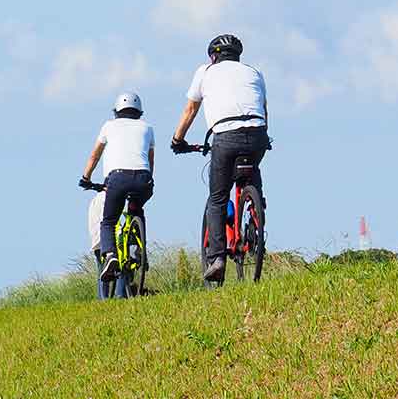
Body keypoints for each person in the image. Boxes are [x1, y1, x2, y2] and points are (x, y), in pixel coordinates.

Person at [170, 34, 270, 284]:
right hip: (257, 134)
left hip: (225, 137)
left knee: (217, 198)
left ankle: (217, 259)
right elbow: (264, 109)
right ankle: (256, 225)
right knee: (253, 177)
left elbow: (190, 109)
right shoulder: (254, 72)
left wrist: (177, 140)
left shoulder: (205, 72)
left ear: (213, 56)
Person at [80, 92, 154, 283]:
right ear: (139, 112)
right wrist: (148, 179)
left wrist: (86, 177)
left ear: (117, 111)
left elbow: (94, 156)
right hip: (143, 179)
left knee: (109, 221)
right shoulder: (147, 128)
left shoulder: (108, 126)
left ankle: (111, 255)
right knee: (138, 209)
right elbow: (150, 159)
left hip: (118, 179)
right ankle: (140, 250)